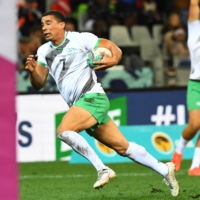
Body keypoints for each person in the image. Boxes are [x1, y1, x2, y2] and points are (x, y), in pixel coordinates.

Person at [25, 10, 179, 196]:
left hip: (92, 97)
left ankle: (102, 170)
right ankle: (165, 170)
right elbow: (39, 84)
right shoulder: (43, 51)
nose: (44, 28)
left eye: (48, 23)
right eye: (42, 24)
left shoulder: (81, 39)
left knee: (64, 131)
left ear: (61, 24)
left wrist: (114, 59)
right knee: (124, 148)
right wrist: (33, 72)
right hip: (81, 105)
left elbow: (113, 48)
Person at [171, 0, 200, 176]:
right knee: (196, 124)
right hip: (196, 83)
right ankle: (179, 151)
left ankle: (196, 165)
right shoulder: (195, 29)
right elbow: (194, 5)